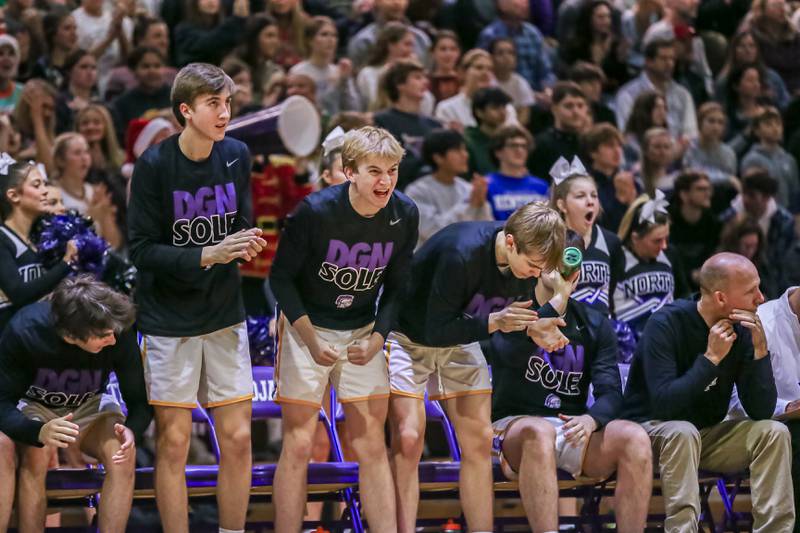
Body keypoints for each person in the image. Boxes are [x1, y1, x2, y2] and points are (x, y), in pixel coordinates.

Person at [128, 62, 266, 533]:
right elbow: (142, 251)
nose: (225, 113)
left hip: (224, 311)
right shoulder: (153, 166)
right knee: (173, 443)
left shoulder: (237, 154)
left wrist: (247, 242)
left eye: (227, 103)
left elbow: (241, 225)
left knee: (240, 438)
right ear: (186, 110)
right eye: (214, 104)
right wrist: (207, 254)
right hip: (168, 318)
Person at [269, 126, 418, 532]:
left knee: (372, 444)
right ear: (349, 171)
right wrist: (309, 340)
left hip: (362, 329)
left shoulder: (405, 213)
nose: (385, 181)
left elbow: (399, 287)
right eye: (374, 171)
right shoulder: (314, 212)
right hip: (307, 328)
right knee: (299, 444)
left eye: (392, 170)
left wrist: (377, 338)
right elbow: (280, 280)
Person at [388, 203, 570, 533]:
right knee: (409, 437)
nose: (534, 274)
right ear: (510, 242)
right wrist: (494, 322)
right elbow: (434, 329)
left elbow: (507, 348)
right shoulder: (461, 253)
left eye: (539, 269)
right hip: (409, 334)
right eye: (531, 266)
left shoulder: (527, 265)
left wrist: (537, 331)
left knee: (480, 439)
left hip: (463, 333)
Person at [622, 252, 795, 533]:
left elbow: (761, 410)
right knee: (682, 431)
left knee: (772, 432)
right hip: (650, 433)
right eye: (751, 291)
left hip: (707, 436)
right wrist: (710, 360)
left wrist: (760, 353)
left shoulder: (742, 330)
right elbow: (665, 405)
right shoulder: (665, 324)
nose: (761, 298)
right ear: (721, 298)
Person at [488, 253, 652, 533]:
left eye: (566, 272)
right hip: (516, 426)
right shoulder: (513, 311)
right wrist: (556, 301)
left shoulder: (594, 323)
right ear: (539, 270)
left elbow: (611, 393)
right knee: (539, 432)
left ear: (576, 277)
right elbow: (505, 355)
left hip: (572, 426)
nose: (561, 275)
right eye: (553, 267)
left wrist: (591, 420)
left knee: (635, 438)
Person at [0, 276, 152, 533]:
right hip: (34, 404)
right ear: (71, 335)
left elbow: (139, 402)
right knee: (37, 455)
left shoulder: (117, 327)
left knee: (122, 456)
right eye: (104, 336)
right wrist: (37, 432)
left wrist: (132, 430)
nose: (113, 340)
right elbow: (1, 403)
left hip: (90, 406)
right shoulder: (25, 330)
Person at [728, 286, 800, 533]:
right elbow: (734, 404)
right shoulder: (761, 324)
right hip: (758, 430)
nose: (759, 295)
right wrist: (788, 407)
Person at [0, 157, 75, 333]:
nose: (45, 192)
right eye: (36, 185)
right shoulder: (2, 238)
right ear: (13, 195)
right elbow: (19, 294)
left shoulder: (41, 238)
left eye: (44, 184)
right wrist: (66, 262)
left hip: (38, 335)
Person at [550, 156, 624, 315]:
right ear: (562, 204)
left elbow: (612, 294)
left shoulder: (611, 242)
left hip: (602, 332)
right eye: (580, 196)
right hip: (562, 332)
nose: (590, 201)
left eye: (594, 195)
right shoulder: (550, 241)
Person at [614, 193, 689, 336]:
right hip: (627, 344)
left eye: (666, 238)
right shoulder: (617, 258)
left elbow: (683, 295)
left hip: (666, 340)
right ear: (635, 238)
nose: (664, 246)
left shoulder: (670, 254)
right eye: (657, 241)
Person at [405, 128, 493, 247]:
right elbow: (434, 231)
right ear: (438, 157)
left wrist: (481, 204)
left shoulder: (468, 188)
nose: (465, 155)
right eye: (457, 150)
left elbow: (486, 230)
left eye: (464, 149)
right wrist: (470, 205)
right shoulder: (417, 191)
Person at [721, 170, 796, 298]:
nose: (745, 199)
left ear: (766, 198)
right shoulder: (727, 219)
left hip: (772, 283)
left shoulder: (784, 223)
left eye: (751, 195)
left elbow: (783, 264)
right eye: (744, 193)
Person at [373, 59, 442, 191]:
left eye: (425, 77)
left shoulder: (434, 125)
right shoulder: (382, 121)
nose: (425, 82)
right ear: (400, 84)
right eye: (417, 77)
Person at [615, 39, 698, 140]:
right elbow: (627, 135)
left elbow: (690, 133)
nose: (670, 64)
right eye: (664, 59)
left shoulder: (683, 95)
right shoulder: (627, 94)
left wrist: (674, 151)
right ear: (649, 62)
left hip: (679, 152)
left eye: (672, 59)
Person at [476, 0, 555, 94]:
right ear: (502, 4)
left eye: (526, 1)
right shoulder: (490, 35)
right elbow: (484, 73)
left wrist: (548, 89)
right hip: (503, 94)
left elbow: (545, 71)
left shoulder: (533, 33)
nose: (525, 4)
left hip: (537, 94)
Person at [582, 123, 641, 233]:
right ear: (593, 152)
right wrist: (620, 201)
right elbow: (597, 226)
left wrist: (632, 202)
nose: (617, 150)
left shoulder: (629, 180)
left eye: (619, 145)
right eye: (610, 145)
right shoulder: (583, 185)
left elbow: (644, 224)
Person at [668, 171, 721, 291]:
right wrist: (689, 275)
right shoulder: (667, 221)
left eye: (709, 189)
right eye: (701, 189)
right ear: (684, 194)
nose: (708, 194)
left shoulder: (712, 222)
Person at [741, 107, 800, 214]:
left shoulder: (789, 159)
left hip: (786, 216)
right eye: (768, 124)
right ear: (757, 131)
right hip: (760, 214)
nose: (775, 128)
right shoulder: (751, 159)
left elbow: (795, 193)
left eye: (778, 124)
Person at [529, 81, 591, 181]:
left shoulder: (590, 143)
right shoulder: (541, 144)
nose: (576, 112)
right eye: (569, 106)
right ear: (554, 109)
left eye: (580, 106)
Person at [487, 125, 549, 221]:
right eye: (513, 145)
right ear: (498, 152)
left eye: (524, 146)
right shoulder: (487, 184)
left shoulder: (541, 186)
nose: (519, 150)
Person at [682, 102, 738, 187]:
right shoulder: (688, 148)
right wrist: (726, 179)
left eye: (720, 122)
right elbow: (691, 175)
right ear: (700, 122)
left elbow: (733, 182)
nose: (716, 127)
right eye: (711, 121)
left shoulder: (729, 153)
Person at [464, 86, 512, 176]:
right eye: (495, 108)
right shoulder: (468, 142)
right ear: (479, 112)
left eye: (504, 107)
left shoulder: (511, 138)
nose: (502, 112)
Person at [489, 38, 534, 127]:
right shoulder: (487, 81)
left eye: (511, 53)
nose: (506, 57)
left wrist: (513, 129)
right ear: (491, 58)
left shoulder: (521, 82)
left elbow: (525, 114)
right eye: (500, 53)